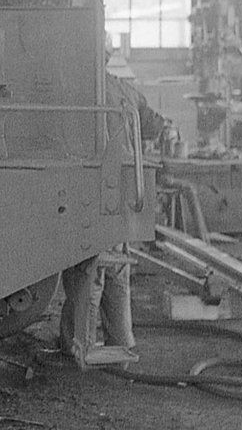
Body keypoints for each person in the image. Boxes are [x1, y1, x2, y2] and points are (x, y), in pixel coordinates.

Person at [59, 69, 172, 364]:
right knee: (117, 268)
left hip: (92, 187)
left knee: (88, 267)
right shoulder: (124, 88)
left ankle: (78, 344)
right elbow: (153, 124)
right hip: (124, 186)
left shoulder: (78, 85)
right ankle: (122, 340)